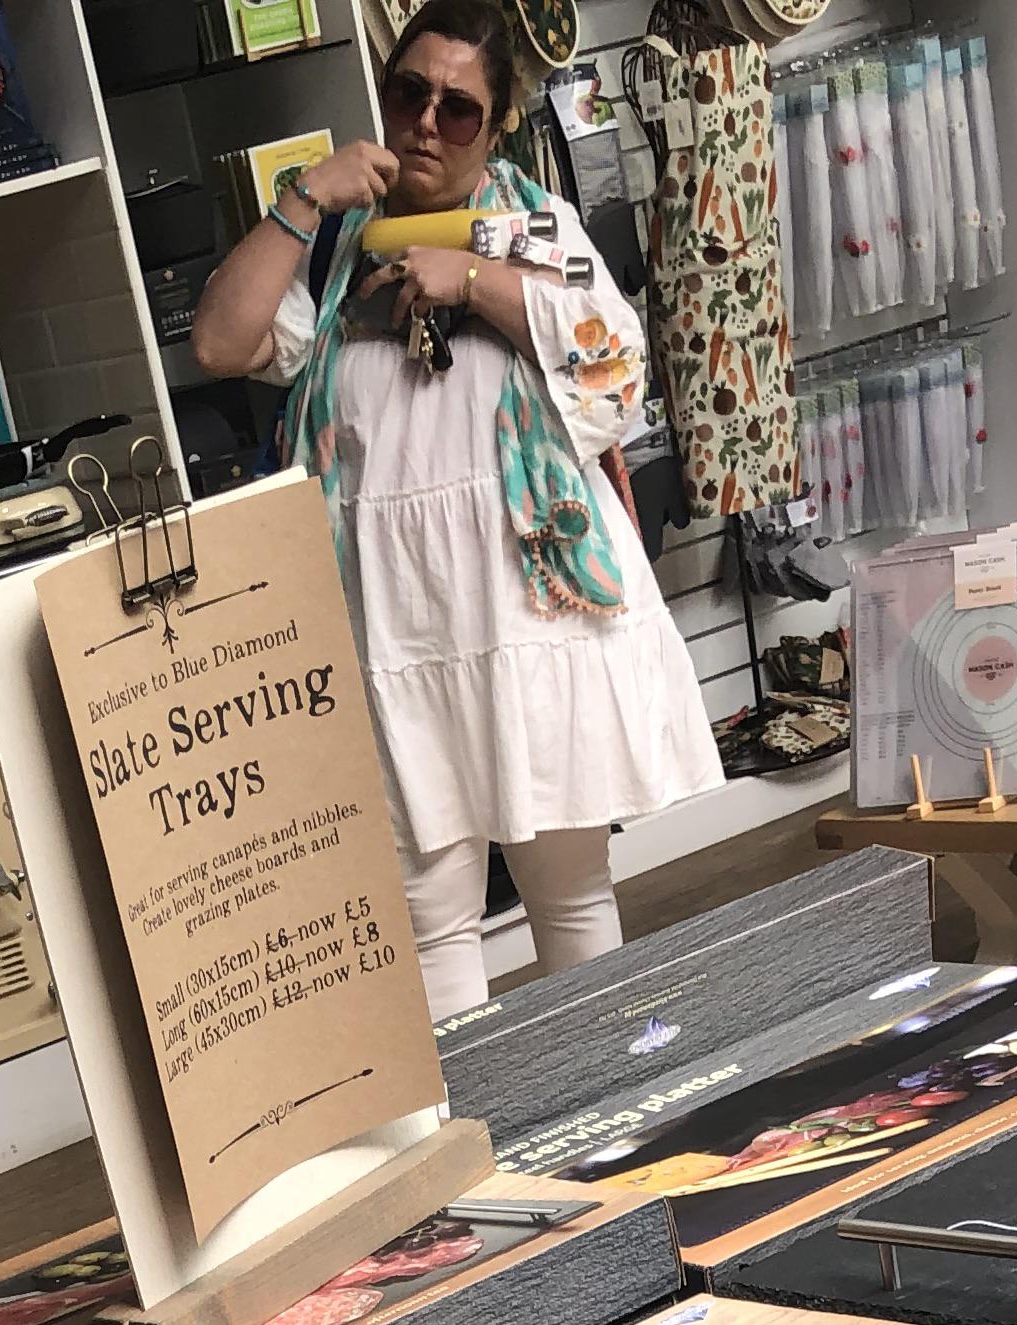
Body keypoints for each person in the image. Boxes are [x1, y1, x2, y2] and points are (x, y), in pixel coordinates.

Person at [189, 0, 721, 1024]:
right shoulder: (336, 247)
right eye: (409, 94)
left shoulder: (539, 230)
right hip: (394, 628)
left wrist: (474, 280)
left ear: (500, 122)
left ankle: (609, 1091)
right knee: (430, 921)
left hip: (530, 615)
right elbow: (220, 343)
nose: (427, 123)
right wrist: (303, 200)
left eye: (459, 108)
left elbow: (616, 381)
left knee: (569, 894)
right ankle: (479, 1119)